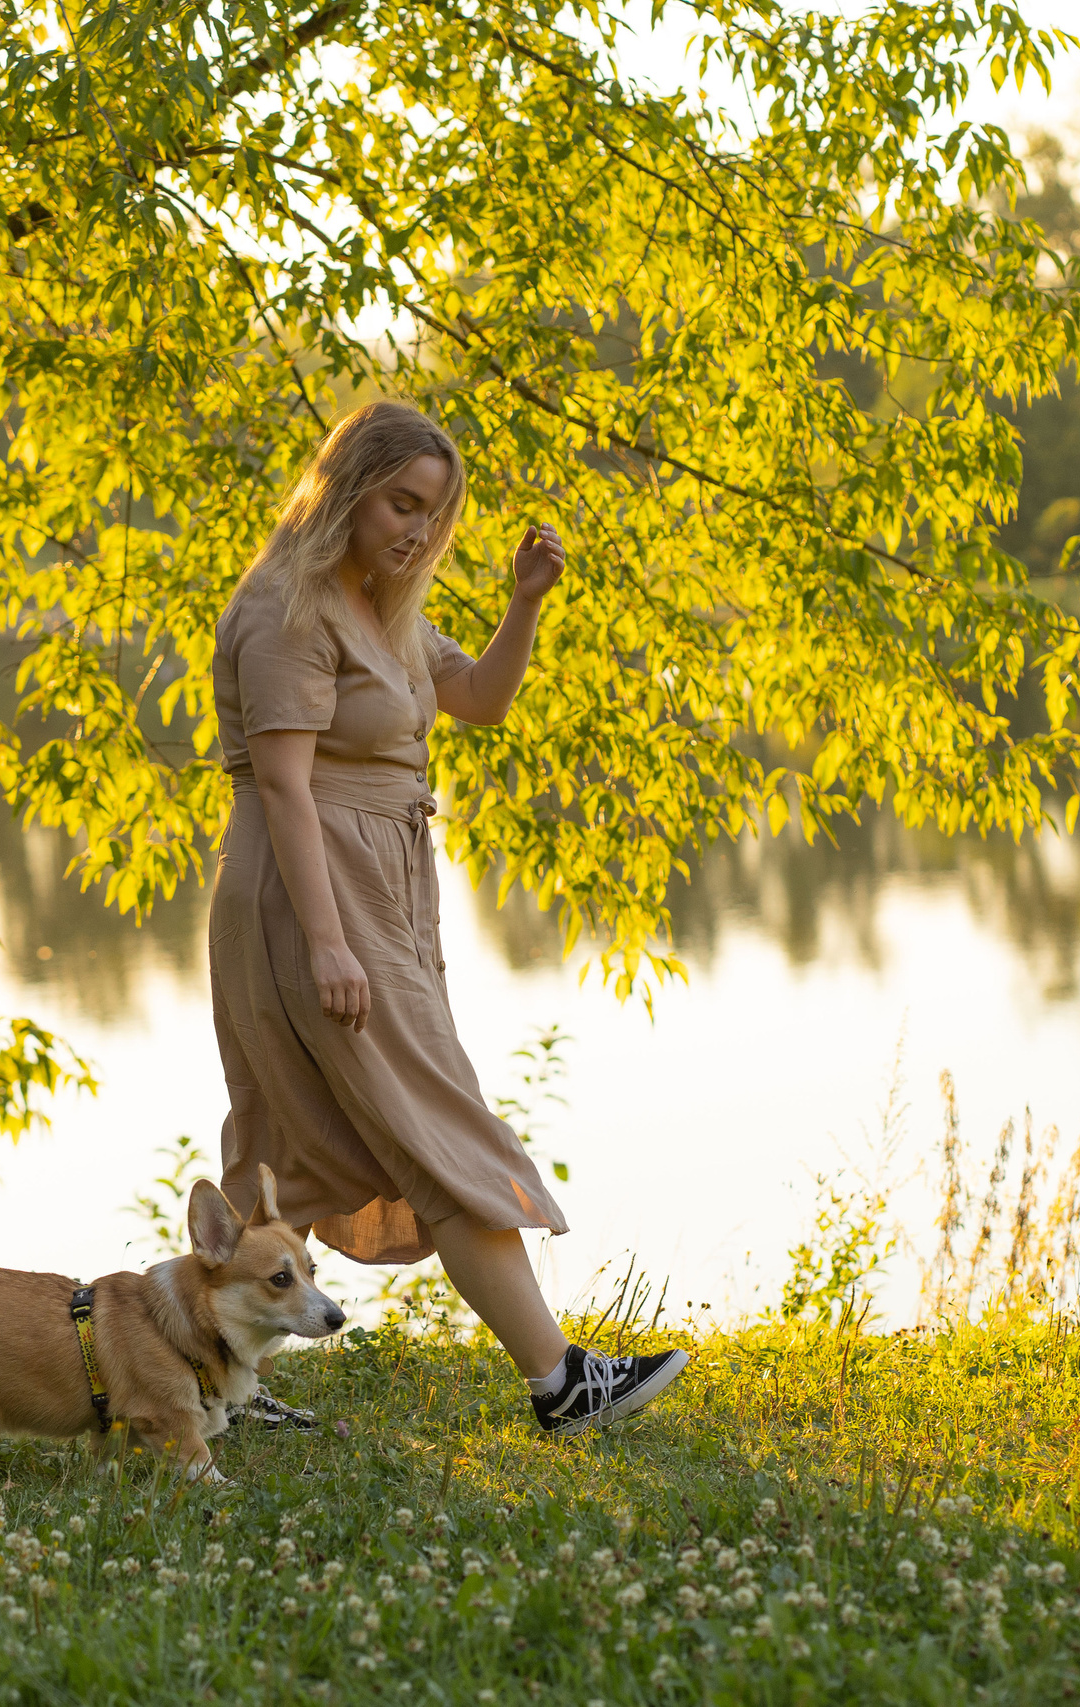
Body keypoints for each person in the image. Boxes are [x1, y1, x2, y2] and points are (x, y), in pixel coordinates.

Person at [206, 399, 687, 1435]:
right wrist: (330, 942)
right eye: (401, 504)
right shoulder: (291, 608)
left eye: (435, 514)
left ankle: (206, 1378)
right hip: (311, 889)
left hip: (370, 883)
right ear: (345, 486)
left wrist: (525, 602)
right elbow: (285, 787)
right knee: (433, 1124)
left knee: (288, 1158)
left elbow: (475, 698)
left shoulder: (374, 604)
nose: (417, 532)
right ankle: (560, 1380)